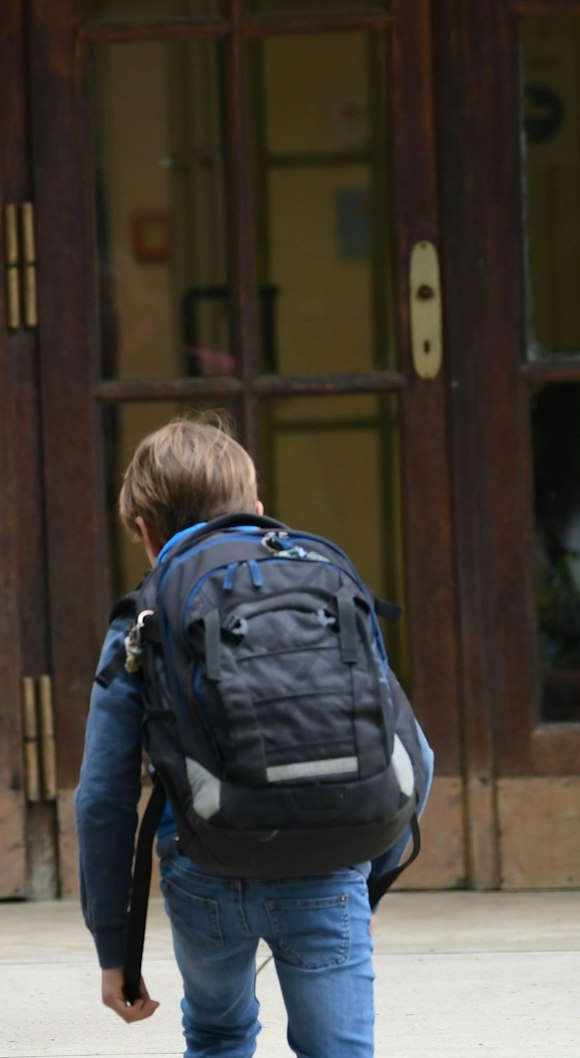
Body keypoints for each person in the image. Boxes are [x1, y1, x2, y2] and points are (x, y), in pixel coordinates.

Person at [76, 416, 434, 1057]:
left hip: (204, 866)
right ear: (258, 510)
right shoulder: (323, 586)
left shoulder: (145, 615)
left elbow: (102, 795)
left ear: (144, 532)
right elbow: (417, 756)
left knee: (218, 1036)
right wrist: (367, 871)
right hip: (331, 865)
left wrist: (115, 950)